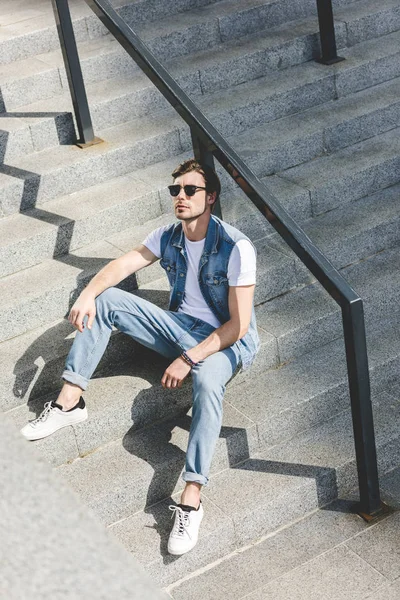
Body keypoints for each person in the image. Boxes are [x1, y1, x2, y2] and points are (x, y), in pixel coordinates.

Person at [21, 159, 260, 555]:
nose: (180, 198)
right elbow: (121, 266)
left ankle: (191, 496)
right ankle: (69, 402)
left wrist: (189, 358)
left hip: (226, 342)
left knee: (204, 379)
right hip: (181, 327)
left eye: (190, 191)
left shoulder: (237, 247)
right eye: (175, 191)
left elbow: (237, 326)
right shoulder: (169, 236)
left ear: (211, 197)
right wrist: (85, 296)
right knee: (107, 298)